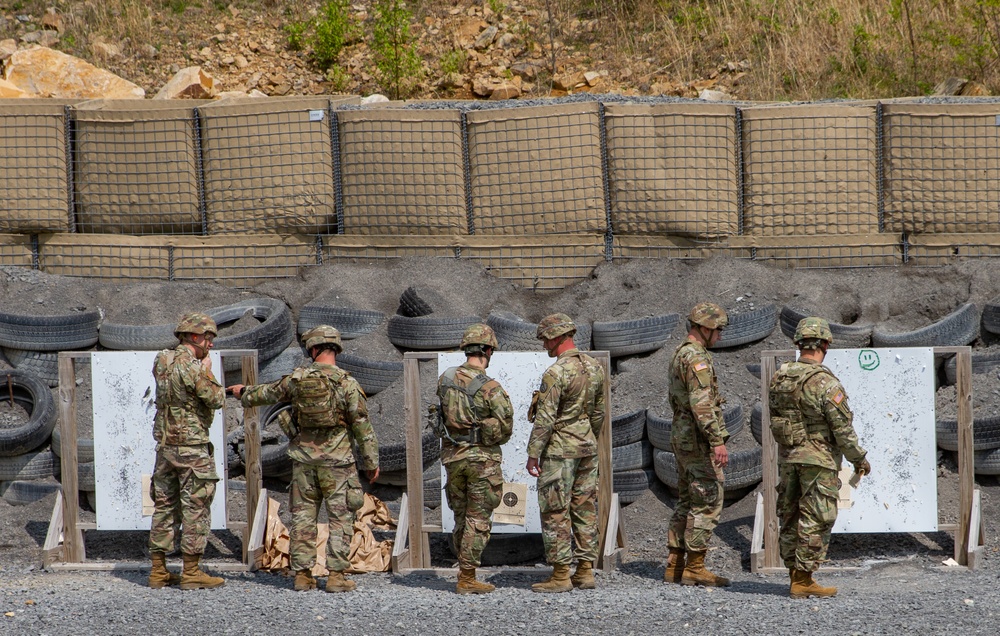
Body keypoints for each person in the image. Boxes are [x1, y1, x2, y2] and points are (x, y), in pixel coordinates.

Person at [229, 325, 379, 593]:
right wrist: (371, 464)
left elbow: (265, 394)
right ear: (335, 347)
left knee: (303, 518)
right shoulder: (348, 383)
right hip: (338, 464)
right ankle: (336, 577)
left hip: (304, 463)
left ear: (313, 349)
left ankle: (302, 575)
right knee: (340, 520)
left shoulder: (297, 379)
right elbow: (363, 428)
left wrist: (243, 392)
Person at [769, 317, 871, 599]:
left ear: (798, 343)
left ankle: (795, 575)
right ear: (825, 344)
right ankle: (803, 580)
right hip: (819, 460)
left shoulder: (780, 377)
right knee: (817, 517)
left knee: (790, 515)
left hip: (789, 457)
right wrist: (859, 459)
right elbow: (842, 428)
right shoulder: (825, 382)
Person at [525, 313, 606, 593]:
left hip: (559, 451)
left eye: (547, 339)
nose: (545, 345)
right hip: (586, 448)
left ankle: (560, 575)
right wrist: (587, 438)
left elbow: (545, 419)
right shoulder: (595, 368)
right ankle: (585, 571)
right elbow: (598, 413)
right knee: (584, 509)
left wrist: (533, 453)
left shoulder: (556, 372)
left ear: (560, 337)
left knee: (555, 510)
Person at [148, 311, 227, 590]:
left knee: (164, 507)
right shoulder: (193, 367)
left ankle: (158, 571)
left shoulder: (162, 361)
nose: (211, 344)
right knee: (196, 509)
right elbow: (216, 398)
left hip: (166, 448)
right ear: (194, 336)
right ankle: (191, 572)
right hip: (192, 449)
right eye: (208, 338)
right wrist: (206, 369)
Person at [435, 323, 514, 594]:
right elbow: (505, 429)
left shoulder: (445, 379)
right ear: (488, 350)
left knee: (460, 516)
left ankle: (463, 570)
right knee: (478, 519)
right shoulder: (490, 387)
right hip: (481, 461)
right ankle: (467, 578)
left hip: (453, 458)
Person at [665, 302, 731, 587]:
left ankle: (675, 564)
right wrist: (716, 440)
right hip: (697, 437)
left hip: (682, 434)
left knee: (687, 498)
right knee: (708, 498)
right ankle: (695, 567)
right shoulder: (696, 358)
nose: (719, 336)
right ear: (704, 328)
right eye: (717, 331)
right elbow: (701, 403)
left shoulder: (681, 353)